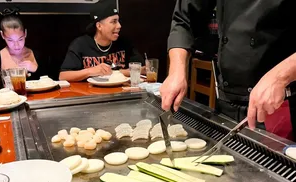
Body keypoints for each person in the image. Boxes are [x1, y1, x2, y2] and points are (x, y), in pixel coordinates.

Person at [160, 1, 296, 135]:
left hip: (280, 105)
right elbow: (184, 19)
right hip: (227, 100)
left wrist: (280, 77)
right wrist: (176, 71)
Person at [59, 2, 144, 82]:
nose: (119, 26)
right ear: (99, 26)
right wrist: (90, 71)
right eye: (114, 22)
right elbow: (63, 76)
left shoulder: (124, 43)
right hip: (90, 94)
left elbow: (142, 69)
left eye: (118, 21)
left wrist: (114, 73)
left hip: (120, 93)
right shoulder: (80, 44)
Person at [0, 8, 38, 77]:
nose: (16, 45)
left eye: (20, 39)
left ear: (25, 33)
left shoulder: (37, 55)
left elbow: (51, 81)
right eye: (10, 40)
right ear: (2, 35)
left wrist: (36, 69)